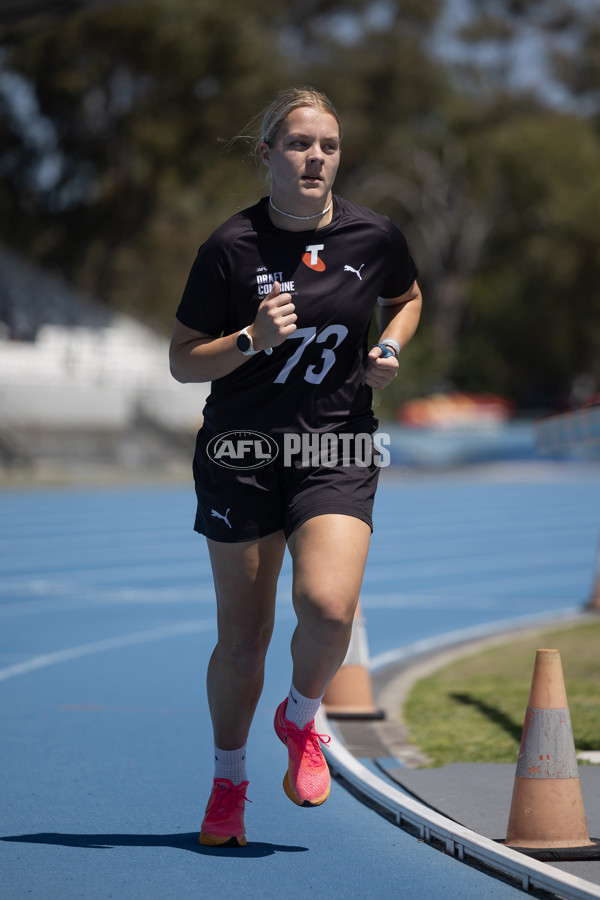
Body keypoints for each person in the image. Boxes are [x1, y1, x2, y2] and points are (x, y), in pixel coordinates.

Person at [169, 86, 422, 847]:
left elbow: (407, 297)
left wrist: (390, 348)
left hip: (335, 446)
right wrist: (248, 339)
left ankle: (302, 720)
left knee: (330, 607)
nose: (316, 158)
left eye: (329, 146)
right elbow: (182, 362)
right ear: (268, 154)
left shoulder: (374, 236)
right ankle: (227, 782)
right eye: (301, 144)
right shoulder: (229, 248)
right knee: (243, 640)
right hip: (242, 455)